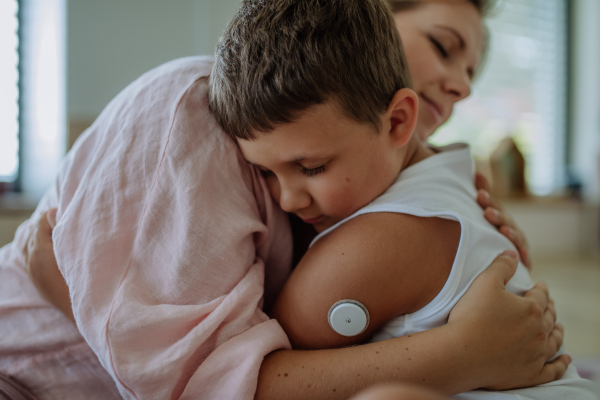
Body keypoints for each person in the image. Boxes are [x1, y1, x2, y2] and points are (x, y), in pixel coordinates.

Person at [2, 1, 567, 400]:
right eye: (444, 45)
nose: (463, 84)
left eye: (472, 70)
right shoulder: (194, 114)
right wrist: (461, 356)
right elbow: (202, 384)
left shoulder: (402, 182)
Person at [210, 1, 595, 398]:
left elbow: (256, 378)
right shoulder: (446, 173)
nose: (286, 200)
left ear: (398, 121)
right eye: (444, 46)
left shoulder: (379, 240)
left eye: (311, 167)